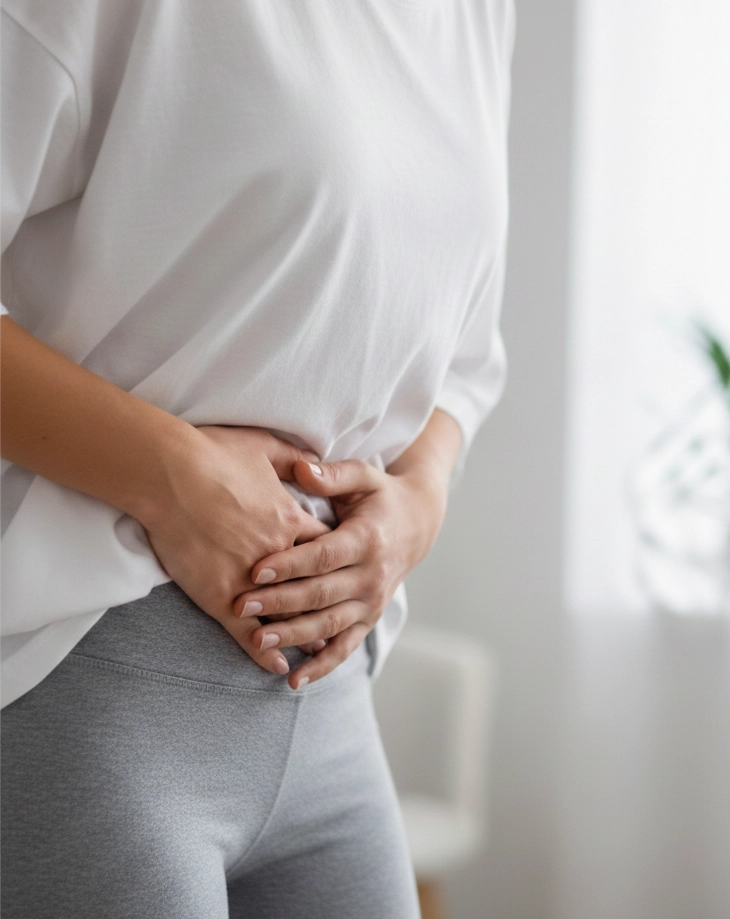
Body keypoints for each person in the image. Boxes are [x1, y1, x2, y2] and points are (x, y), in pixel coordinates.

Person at [0, 0, 513, 915]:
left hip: (333, 710)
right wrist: (171, 476)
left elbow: (465, 352)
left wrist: (416, 505)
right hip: (93, 679)